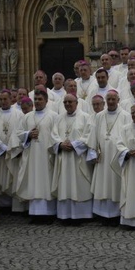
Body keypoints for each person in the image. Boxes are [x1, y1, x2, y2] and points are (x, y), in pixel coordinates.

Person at [15, 89, 59, 223]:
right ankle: (34, 213)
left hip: (47, 155)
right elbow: (18, 133)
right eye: (36, 99)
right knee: (33, 181)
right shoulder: (27, 116)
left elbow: (57, 134)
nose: (38, 102)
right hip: (32, 156)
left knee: (46, 182)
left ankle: (49, 213)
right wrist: (28, 134)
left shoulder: (53, 116)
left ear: (46, 100)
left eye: (40, 99)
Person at [87, 90, 128, 223]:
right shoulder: (99, 116)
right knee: (103, 184)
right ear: (105, 102)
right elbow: (93, 135)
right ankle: (103, 214)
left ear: (118, 100)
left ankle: (117, 214)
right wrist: (93, 152)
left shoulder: (125, 116)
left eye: (113, 99)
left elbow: (128, 135)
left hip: (117, 156)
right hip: (102, 157)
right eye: (108, 99)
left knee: (116, 184)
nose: (111, 102)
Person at [50, 94, 92, 224]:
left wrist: (74, 145)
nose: (68, 104)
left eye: (70, 102)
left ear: (77, 103)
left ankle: (81, 215)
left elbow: (88, 136)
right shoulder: (59, 118)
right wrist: (60, 144)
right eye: (65, 102)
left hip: (77, 157)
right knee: (65, 184)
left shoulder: (85, 117)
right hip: (63, 157)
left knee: (79, 184)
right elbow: (53, 135)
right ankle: (65, 215)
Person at [0, 89, 24, 210]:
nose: (3, 101)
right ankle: (1, 206)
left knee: (13, 177)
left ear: (11, 99)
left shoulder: (19, 114)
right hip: (0, 153)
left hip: (14, 153)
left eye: (5, 99)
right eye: (1, 99)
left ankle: (15, 206)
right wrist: (2, 148)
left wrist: (12, 149)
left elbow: (20, 133)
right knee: (0, 177)